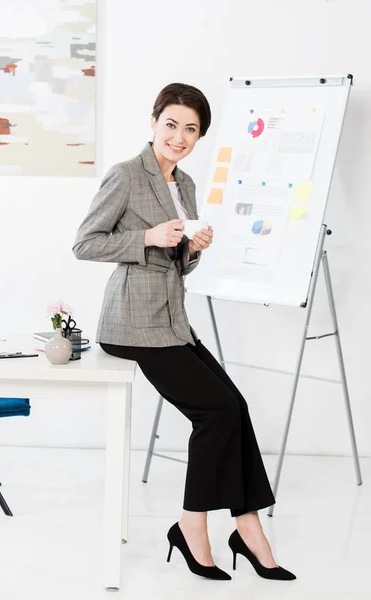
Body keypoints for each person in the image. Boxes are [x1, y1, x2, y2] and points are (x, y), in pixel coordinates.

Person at [73, 83, 296, 582]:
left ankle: (246, 527)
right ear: (154, 123)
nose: (179, 136)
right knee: (214, 412)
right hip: (132, 323)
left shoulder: (188, 185)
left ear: (199, 138)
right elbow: (85, 243)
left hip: (172, 320)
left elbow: (179, 267)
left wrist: (194, 249)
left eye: (190, 129)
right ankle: (192, 526)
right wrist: (148, 237)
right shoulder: (127, 176)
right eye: (171, 124)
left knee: (232, 407)